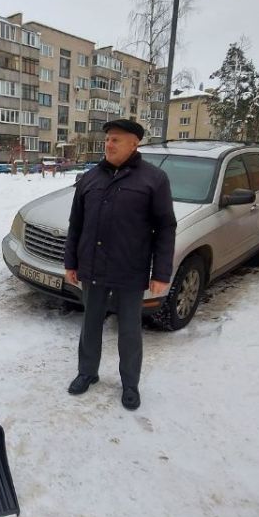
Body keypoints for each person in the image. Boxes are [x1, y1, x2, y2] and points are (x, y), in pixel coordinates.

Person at [63, 119, 177, 410]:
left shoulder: (154, 179)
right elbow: (76, 225)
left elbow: (165, 227)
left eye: (116, 139)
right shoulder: (90, 179)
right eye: (108, 139)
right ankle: (87, 372)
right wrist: (71, 262)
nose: (109, 144)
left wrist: (161, 272)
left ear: (134, 143)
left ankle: (130, 384)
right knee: (90, 324)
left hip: (130, 269)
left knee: (129, 330)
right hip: (92, 267)